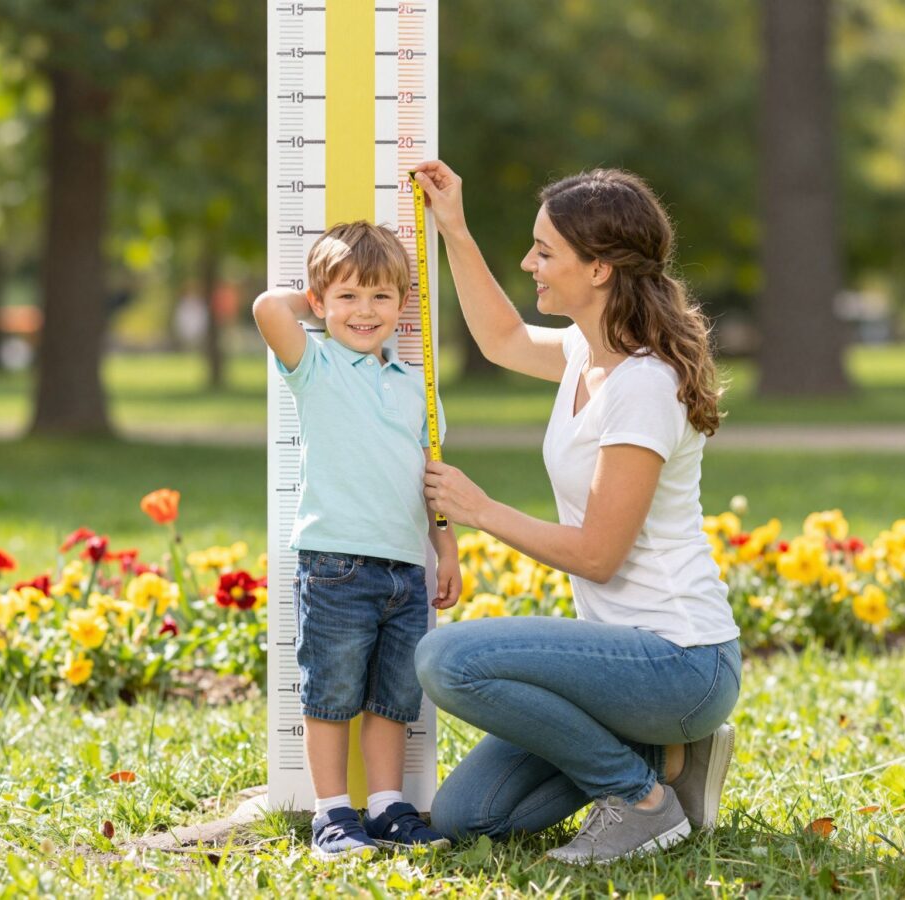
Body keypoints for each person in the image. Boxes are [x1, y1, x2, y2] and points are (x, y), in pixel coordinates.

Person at [411, 160, 742, 865]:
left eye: (544, 251)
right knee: (470, 817)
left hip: (680, 661)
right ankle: (667, 755)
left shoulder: (643, 385)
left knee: (446, 660)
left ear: (598, 269)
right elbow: (501, 340)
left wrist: (480, 510)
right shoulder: (584, 355)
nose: (529, 263)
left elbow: (597, 555)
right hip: (623, 666)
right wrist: (454, 230)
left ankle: (640, 800)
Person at [253, 221, 461, 861]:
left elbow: (433, 479)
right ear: (320, 302)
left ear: (403, 305)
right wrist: (317, 301)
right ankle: (332, 814)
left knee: (393, 699)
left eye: (379, 297)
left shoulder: (416, 385)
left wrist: (447, 550)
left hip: (405, 572)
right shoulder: (314, 366)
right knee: (332, 693)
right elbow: (267, 308)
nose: (364, 311)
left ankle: (388, 807)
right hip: (335, 565)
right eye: (348, 296)